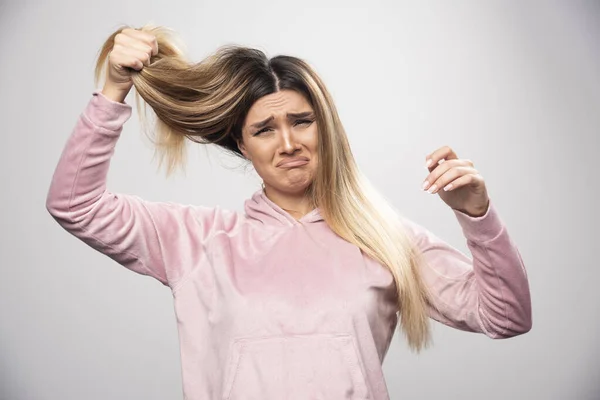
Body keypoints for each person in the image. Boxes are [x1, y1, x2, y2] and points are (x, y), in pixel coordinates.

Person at [45, 24, 532, 400]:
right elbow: (74, 205)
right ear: (242, 144)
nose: (289, 144)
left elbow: (506, 316)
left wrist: (478, 214)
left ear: (327, 128)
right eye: (265, 130)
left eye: (302, 121)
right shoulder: (196, 240)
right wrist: (112, 91)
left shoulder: (385, 239)